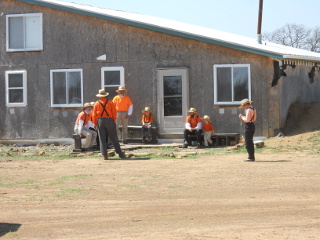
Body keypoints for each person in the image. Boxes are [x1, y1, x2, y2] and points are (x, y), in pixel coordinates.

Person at [92, 89, 125, 160]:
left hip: (100, 120)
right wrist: (113, 120)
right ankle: (119, 153)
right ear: (106, 95)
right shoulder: (110, 102)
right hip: (109, 119)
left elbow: (94, 115)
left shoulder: (97, 103)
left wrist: (95, 123)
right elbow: (114, 112)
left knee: (102, 138)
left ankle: (104, 155)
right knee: (113, 137)